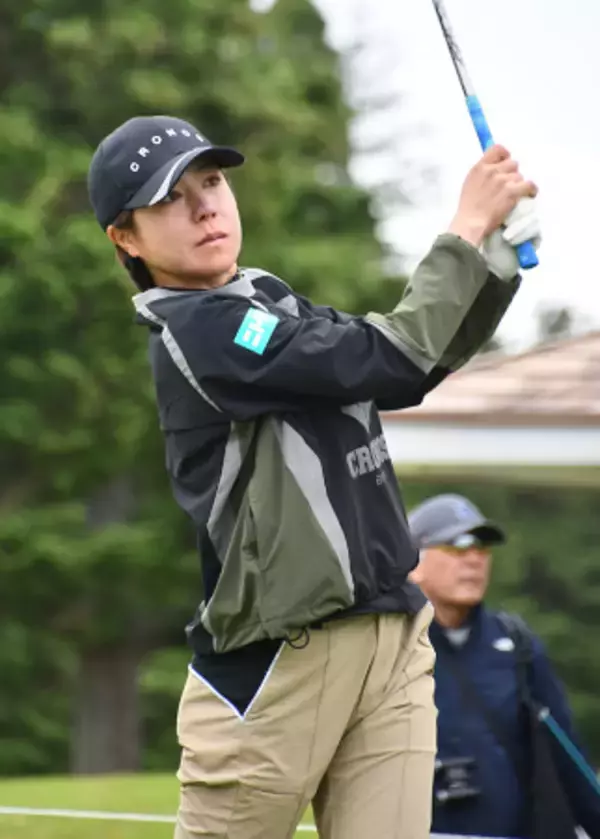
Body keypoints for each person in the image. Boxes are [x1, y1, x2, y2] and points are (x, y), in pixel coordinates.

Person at [86, 113, 540, 839]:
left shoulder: (266, 300)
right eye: (172, 197)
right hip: (274, 672)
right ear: (126, 237)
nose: (205, 206)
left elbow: (412, 368)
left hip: (391, 640)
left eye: (211, 181)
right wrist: (463, 228)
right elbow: (383, 357)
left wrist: (494, 259)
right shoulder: (202, 331)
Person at [408, 492, 600, 839]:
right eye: (456, 546)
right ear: (413, 563)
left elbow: (569, 758)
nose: (473, 559)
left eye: (481, 547)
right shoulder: (388, 649)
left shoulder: (517, 645)